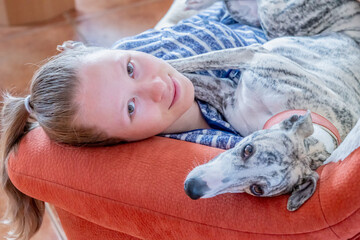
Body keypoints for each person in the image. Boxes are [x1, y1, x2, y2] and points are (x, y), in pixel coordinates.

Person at [0, 2, 267, 239]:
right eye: (130, 108)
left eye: (129, 69)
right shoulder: (209, 147)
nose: (157, 87)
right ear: (118, 142)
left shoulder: (149, 48)